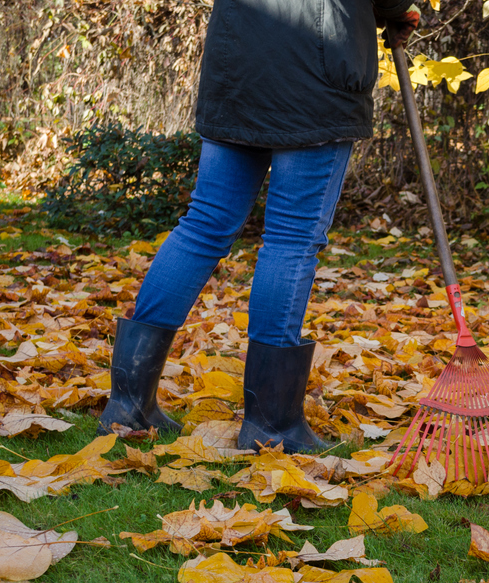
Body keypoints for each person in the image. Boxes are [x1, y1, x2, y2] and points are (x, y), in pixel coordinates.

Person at [98, 0, 421, 452]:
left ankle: (127, 405)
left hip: (239, 62)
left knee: (204, 224)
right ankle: (272, 426)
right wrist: (395, 10)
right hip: (317, 69)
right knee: (291, 239)